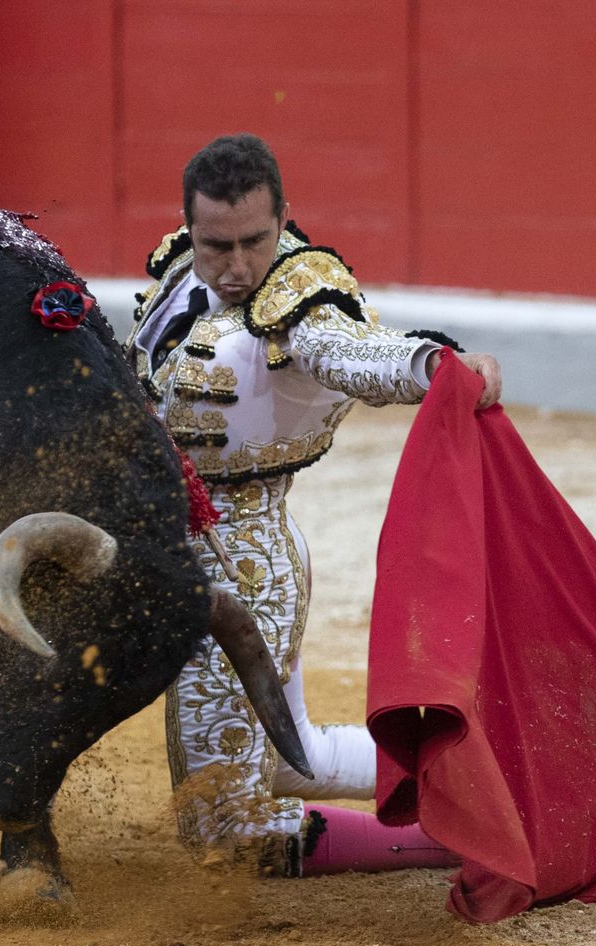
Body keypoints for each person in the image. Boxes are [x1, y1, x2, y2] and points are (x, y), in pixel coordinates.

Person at [128, 133, 502, 877]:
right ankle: (487, 771)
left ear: (284, 219)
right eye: (216, 245)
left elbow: (358, 353)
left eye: (254, 242)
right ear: (188, 227)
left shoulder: (299, 302)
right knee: (292, 758)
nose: (236, 267)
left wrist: (437, 367)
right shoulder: (179, 268)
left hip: (245, 574)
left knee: (222, 829)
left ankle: (464, 838)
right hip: (172, 544)